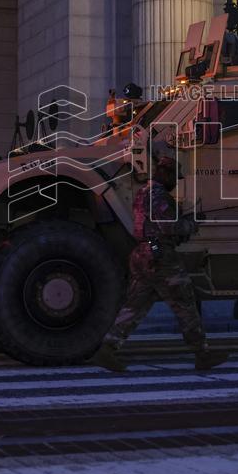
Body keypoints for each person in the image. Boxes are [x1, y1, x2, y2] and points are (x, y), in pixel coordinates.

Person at [91, 155, 228, 372]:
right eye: (174, 176)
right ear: (165, 174)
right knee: (184, 302)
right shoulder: (159, 196)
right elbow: (169, 227)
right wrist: (192, 223)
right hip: (158, 253)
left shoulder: (143, 193)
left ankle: (107, 349)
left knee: (134, 306)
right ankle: (202, 353)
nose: (176, 182)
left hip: (144, 252)